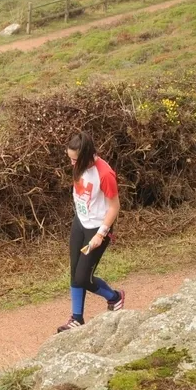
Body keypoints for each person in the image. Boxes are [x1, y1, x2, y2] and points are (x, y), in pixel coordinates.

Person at [57, 131, 125, 333]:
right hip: (80, 223)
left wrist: (100, 234)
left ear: (87, 155)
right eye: (70, 158)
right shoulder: (78, 165)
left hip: (97, 228)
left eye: (75, 159)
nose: (72, 163)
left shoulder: (105, 174)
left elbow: (114, 206)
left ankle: (115, 297)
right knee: (74, 272)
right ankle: (77, 318)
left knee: (83, 278)